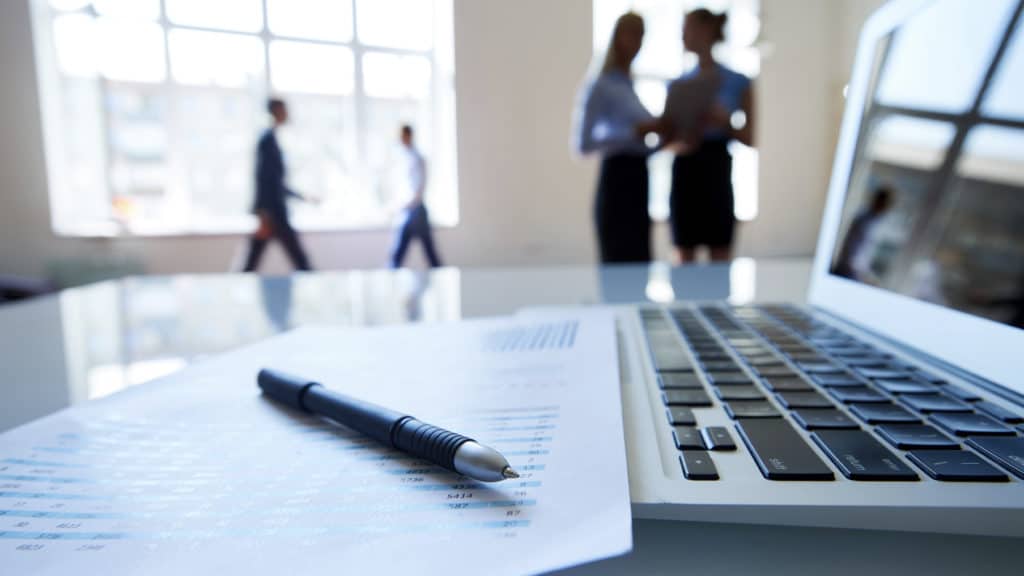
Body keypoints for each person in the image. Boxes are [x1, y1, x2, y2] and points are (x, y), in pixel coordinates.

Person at [667, 9, 755, 263]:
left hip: (716, 168)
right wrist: (682, 138)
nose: (683, 35)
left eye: (688, 28)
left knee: (720, 252)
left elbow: (750, 138)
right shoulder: (678, 84)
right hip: (685, 168)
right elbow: (666, 141)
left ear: (706, 31)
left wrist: (725, 123)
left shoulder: (738, 81)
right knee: (684, 254)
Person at [575, 12, 658, 263]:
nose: (637, 42)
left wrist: (666, 136)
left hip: (639, 181)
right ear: (617, 37)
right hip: (616, 182)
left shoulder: (629, 86)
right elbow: (582, 144)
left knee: (640, 262)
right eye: (632, 34)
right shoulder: (600, 85)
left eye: (641, 35)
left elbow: (641, 146)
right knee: (617, 263)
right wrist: (633, 133)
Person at [242, 98, 314, 272]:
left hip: (275, 210)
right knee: (301, 261)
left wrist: (301, 196)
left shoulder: (271, 139)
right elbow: (264, 179)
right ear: (275, 112)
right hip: (273, 213)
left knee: (254, 260)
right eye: (284, 110)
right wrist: (264, 212)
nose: (287, 114)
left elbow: (276, 181)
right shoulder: (267, 141)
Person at [390, 125, 443, 268]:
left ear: (408, 136)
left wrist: (407, 205)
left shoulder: (417, 158)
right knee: (403, 253)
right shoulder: (406, 158)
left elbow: (419, 188)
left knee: (399, 253)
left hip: (416, 210)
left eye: (402, 136)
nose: (400, 140)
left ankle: (390, 274)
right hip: (411, 210)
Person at [833, 186, 894, 282]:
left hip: (853, 270)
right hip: (848, 270)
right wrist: (863, 274)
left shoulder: (875, 221)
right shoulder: (864, 221)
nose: (886, 206)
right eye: (885, 203)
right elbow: (853, 251)